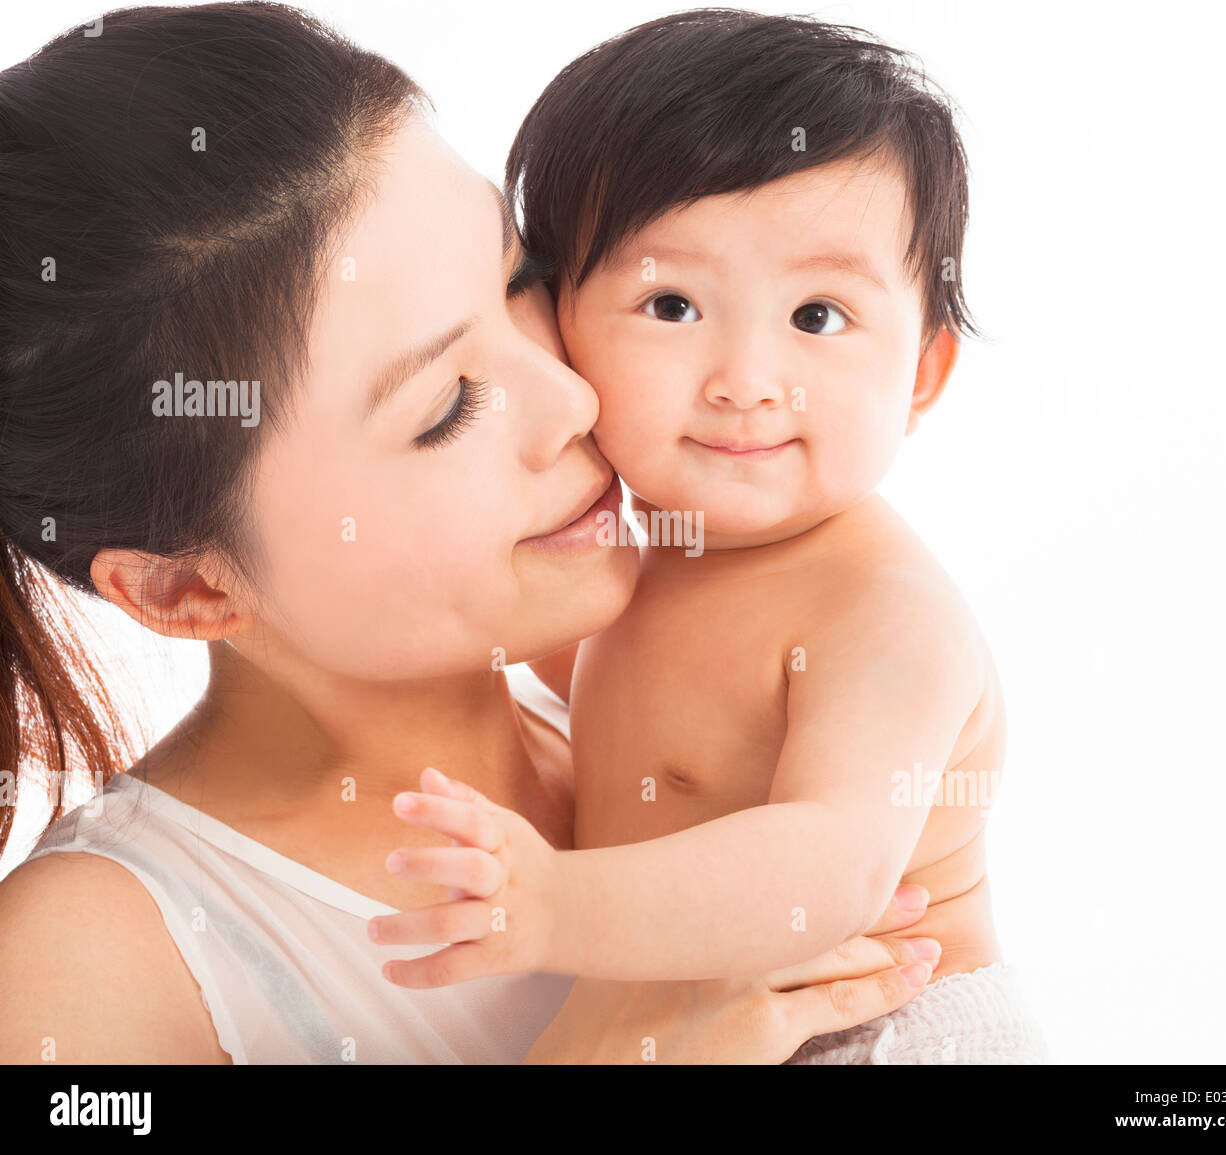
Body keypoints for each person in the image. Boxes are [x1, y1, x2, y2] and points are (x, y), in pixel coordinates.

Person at [0, 1, 939, 1064]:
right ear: (187, 591)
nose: (572, 403)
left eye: (519, 281)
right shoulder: (89, 966)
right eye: (446, 407)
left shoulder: (684, 709)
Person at [367, 10, 1049, 1064]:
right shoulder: (642, 554)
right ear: (555, 326)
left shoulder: (881, 612)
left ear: (920, 373)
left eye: (818, 317)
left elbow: (825, 868)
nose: (743, 381)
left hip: (880, 1027)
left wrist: (551, 904)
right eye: (673, 304)